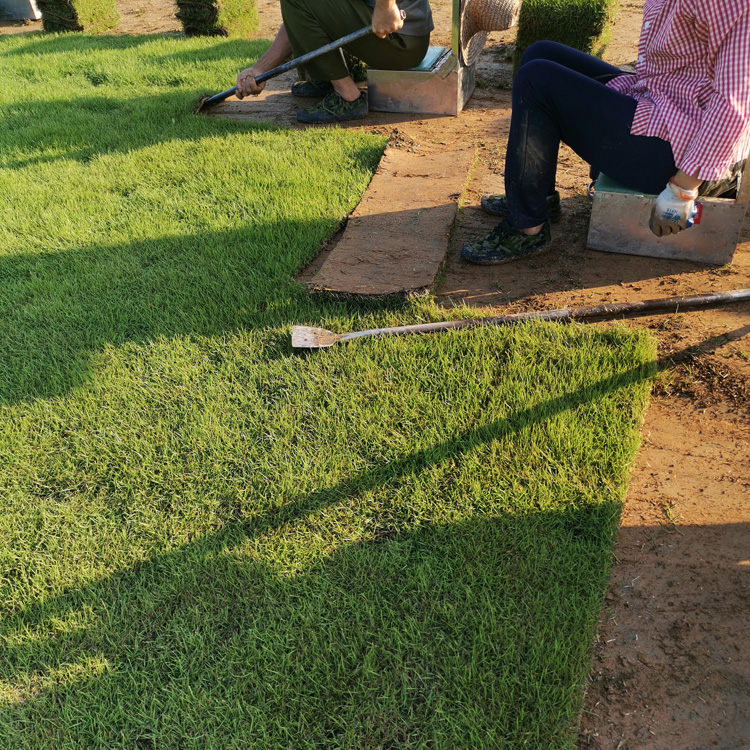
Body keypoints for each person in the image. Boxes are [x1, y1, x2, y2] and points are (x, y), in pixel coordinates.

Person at [461, 0, 750, 265]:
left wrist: (682, 189)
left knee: (537, 80)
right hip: (665, 102)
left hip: (681, 155)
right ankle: (539, 199)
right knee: (541, 53)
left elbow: (734, 106)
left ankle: (527, 228)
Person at [235, 0, 433, 123]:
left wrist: (386, 5)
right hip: (394, 38)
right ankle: (327, 78)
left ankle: (348, 96)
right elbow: (302, 12)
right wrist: (259, 69)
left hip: (400, 42)